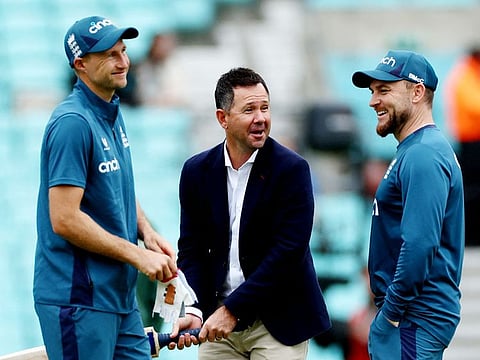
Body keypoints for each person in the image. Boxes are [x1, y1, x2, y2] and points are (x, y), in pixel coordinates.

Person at [33, 16, 179, 359]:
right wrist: (137, 255)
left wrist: (146, 231)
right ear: (80, 64)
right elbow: (64, 219)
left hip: (117, 296)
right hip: (79, 299)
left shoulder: (110, 111)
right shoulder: (73, 124)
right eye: (110, 55)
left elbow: (116, 185)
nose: (123, 62)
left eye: (123, 51)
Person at [170, 67, 331, 359]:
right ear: (223, 118)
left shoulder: (292, 170)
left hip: (278, 322)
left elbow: (287, 254)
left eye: (265, 108)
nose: (261, 118)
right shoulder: (196, 172)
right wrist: (194, 308)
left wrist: (233, 309)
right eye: (249, 110)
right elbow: (191, 250)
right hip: (218, 321)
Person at [351, 50, 464, 359]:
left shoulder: (423, 154)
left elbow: (420, 244)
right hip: (413, 315)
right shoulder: (415, 150)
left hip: (412, 317)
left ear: (417, 92)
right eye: (373, 91)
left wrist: (390, 313)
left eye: (384, 90)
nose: (373, 100)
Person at [444, 45, 480, 247]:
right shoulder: (465, 74)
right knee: (472, 192)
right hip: (472, 143)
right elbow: (474, 106)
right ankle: (471, 236)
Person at [133, 32, 188, 107]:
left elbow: (179, 96)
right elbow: (142, 94)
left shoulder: (174, 65)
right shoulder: (144, 66)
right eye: (160, 45)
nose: (163, 48)